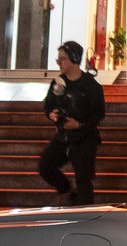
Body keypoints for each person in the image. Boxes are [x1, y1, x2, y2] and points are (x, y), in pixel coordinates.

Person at [39, 40, 106, 203]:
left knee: (84, 178)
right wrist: (52, 115)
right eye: (58, 59)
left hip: (85, 137)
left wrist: (80, 124)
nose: (59, 63)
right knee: (45, 166)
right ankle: (67, 189)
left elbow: (99, 113)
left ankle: (85, 213)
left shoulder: (91, 85)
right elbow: (48, 106)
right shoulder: (58, 82)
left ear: (74, 59)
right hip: (63, 136)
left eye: (63, 59)